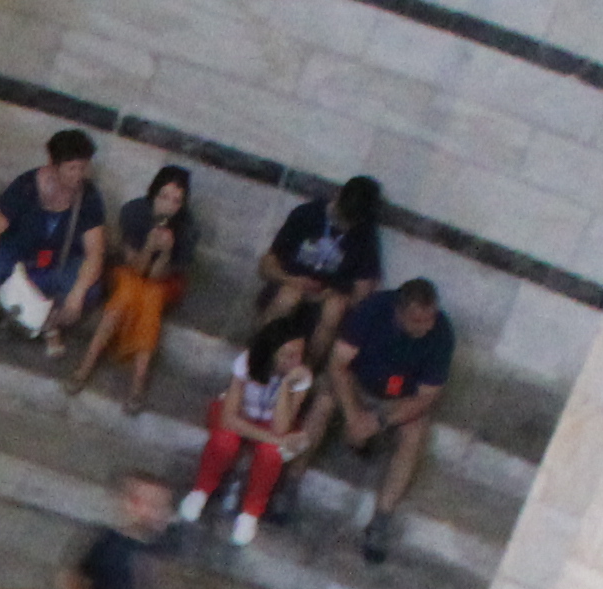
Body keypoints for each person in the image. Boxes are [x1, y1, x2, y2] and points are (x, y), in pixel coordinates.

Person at [322, 279, 455, 564]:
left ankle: (381, 518)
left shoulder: (441, 333)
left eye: (430, 317)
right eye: (418, 320)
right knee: (323, 401)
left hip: (397, 401)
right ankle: (290, 481)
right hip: (358, 384)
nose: (426, 326)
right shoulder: (374, 309)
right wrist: (352, 416)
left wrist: (378, 420)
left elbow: (426, 398)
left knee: (415, 432)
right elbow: (338, 362)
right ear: (400, 313)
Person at [178, 324, 322, 542]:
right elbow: (230, 418)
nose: (295, 361)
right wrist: (274, 439)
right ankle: (201, 490)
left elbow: (282, 427)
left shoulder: (301, 376)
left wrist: (285, 385)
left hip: (270, 424)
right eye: (288, 355)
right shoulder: (246, 362)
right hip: (238, 414)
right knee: (225, 440)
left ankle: (250, 513)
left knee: (271, 454)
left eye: (299, 355)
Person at [67, 166, 196, 406]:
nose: (169, 205)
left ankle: (138, 381)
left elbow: (158, 276)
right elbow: (135, 267)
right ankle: (86, 364)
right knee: (127, 290)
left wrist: (166, 253)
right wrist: (149, 246)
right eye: (164, 197)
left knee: (151, 297)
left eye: (176, 201)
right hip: (130, 270)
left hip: (162, 281)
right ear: (153, 194)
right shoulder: (134, 212)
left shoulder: (188, 228)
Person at [0, 132, 102, 343]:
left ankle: (49, 322)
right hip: (17, 260)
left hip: (54, 267)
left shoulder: (88, 196)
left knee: (90, 288)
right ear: (53, 165)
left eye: (82, 169)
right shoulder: (26, 186)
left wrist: (76, 296)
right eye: (72, 168)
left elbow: (95, 252)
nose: (78, 175)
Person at [244, 174, 384, 362]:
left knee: (333, 310)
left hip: (325, 302)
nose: (343, 224)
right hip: (290, 287)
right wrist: (291, 280)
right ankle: (258, 357)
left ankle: (307, 369)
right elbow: (266, 265)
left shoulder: (365, 237)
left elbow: (362, 293)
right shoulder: (307, 214)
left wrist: (330, 295)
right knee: (288, 297)